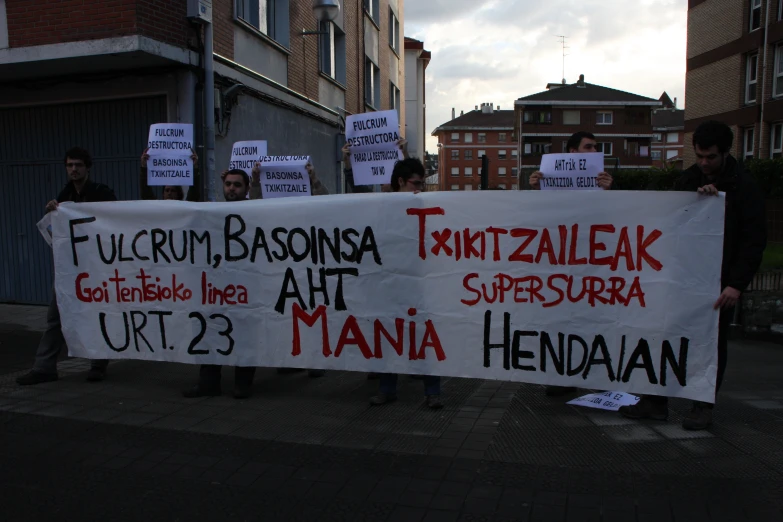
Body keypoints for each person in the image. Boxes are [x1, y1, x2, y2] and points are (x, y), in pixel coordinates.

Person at [619, 121, 766, 430]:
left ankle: (702, 405)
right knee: (665, 336)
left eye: (710, 157)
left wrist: (736, 285)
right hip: (683, 279)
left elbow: (753, 240)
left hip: (719, 283)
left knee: (711, 344)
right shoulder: (689, 179)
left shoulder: (744, 187)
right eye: (699, 156)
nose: (704, 163)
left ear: (725, 153)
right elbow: (672, 220)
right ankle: (656, 400)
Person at [16, 147, 116, 386]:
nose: (73, 169)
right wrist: (53, 214)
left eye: (78, 165)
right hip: (71, 270)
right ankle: (44, 367)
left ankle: (98, 364)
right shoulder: (63, 197)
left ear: (87, 167)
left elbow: (114, 221)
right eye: (70, 165)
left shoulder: (102, 193)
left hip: (97, 267)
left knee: (97, 313)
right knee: (56, 316)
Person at [526, 131, 614, 397]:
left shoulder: (604, 183)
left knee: (593, 321)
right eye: (589, 147)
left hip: (592, 264)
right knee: (560, 320)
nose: (595, 151)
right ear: (573, 153)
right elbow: (536, 218)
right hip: (560, 265)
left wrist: (611, 193)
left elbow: (617, 219)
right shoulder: (548, 181)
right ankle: (561, 376)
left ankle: (597, 374)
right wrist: (535, 190)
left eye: (597, 147)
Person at [369, 158, 443, 410]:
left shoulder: (423, 205)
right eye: (415, 183)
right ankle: (387, 388)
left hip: (418, 281)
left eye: (421, 184)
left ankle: (432, 391)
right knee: (389, 332)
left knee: (423, 333)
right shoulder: (382, 208)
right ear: (400, 182)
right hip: (390, 280)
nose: (419, 189)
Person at [342, 137, 406, 379]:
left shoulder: (410, 201)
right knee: (379, 321)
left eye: (389, 180)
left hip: (403, 271)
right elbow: (356, 188)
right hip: (378, 273)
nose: (384, 184)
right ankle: (381, 367)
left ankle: (412, 363)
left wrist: (405, 153)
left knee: (407, 321)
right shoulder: (372, 202)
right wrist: (349, 163)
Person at [527, 131, 613, 191]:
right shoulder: (550, 175)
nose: (594, 151)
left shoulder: (603, 177)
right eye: (588, 147)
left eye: (595, 147)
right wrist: (538, 188)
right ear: (573, 151)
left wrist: (607, 190)